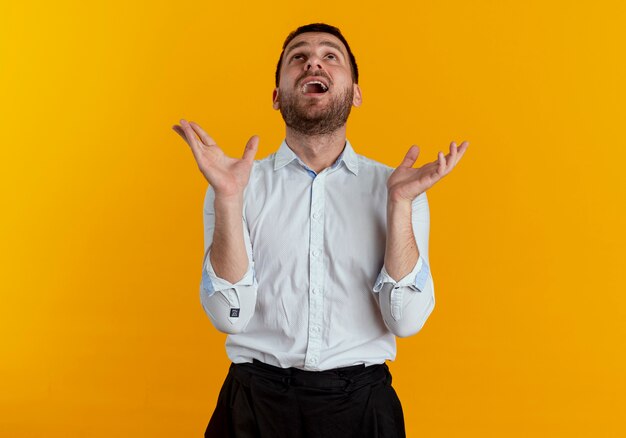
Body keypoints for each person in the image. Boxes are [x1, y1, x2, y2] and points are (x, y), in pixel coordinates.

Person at [173, 22, 468, 438]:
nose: (314, 60)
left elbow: (405, 322)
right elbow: (229, 317)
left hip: (363, 408)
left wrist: (399, 205)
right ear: (277, 97)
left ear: (356, 94)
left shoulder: (399, 188)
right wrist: (227, 198)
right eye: (299, 57)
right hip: (253, 406)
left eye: (332, 56)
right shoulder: (236, 186)